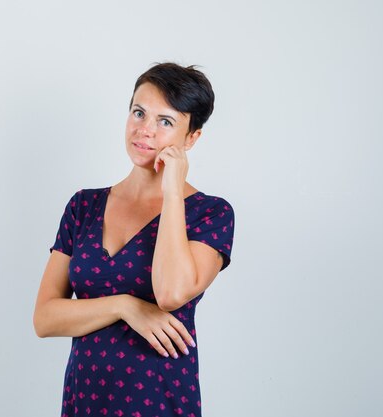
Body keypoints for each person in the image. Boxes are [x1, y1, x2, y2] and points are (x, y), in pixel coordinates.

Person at [33, 62, 235, 417]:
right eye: (139, 113)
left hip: (158, 402)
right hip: (85, 401)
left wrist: (173, 190)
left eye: (166, 121)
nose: (145, 130)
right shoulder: (84, 205)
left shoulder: (210, 214)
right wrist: (125, 306)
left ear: (192, 138)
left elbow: (170, 294)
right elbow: (45, 318)